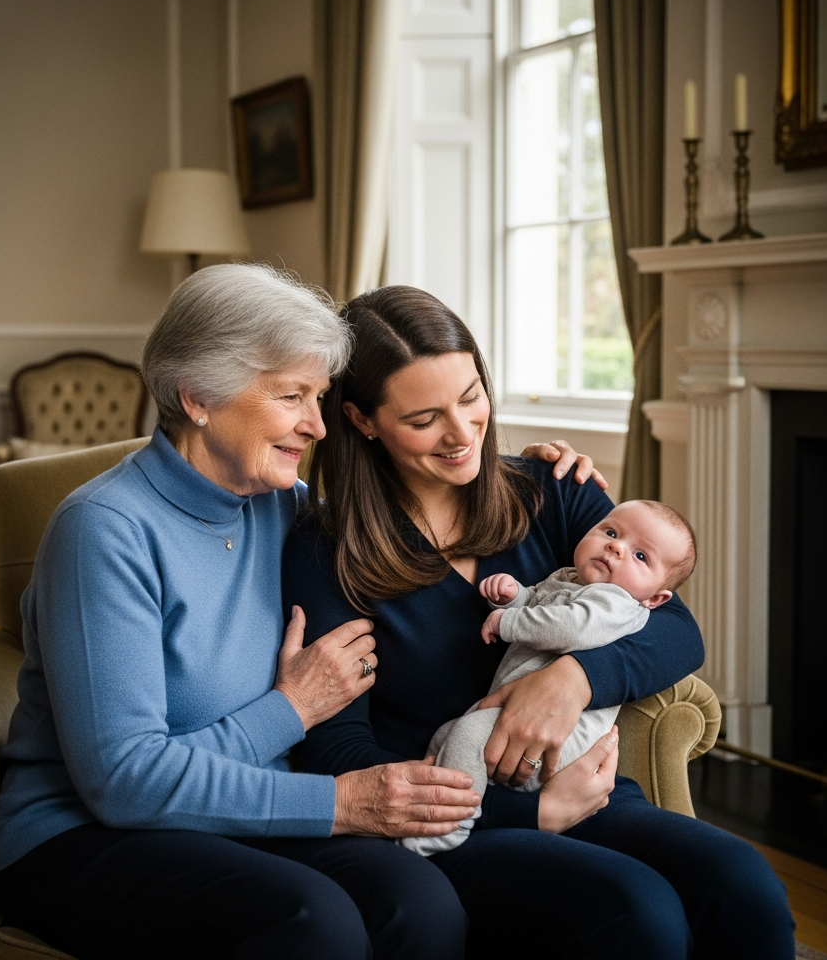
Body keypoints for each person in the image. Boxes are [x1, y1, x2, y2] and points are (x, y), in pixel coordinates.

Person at [0, 265, 488, 960]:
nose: (315, 423)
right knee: (314, 923)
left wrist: (548, 485)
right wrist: (297, 719)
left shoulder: (284, 502)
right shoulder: (104, 530)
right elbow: (123, 782)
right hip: (82, 837)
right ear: (198, 396)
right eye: (292, 396)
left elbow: (408, 514)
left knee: (420, 902)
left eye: (318, 396)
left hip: (242, 813)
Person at [283, 285, 797, 960]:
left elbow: (676, 630)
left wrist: (576, 679)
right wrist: (532, 811)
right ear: (363, 419)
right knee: (637, 910)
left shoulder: (555, 490)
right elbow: (341, 754)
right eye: (425, 418)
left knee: (744, 884)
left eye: (471, 397)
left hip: (594, 792)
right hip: (451, 828)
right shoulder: (329, 551)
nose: (463, 434)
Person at [401, 499, 696, 856]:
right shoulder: (566, 578)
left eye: (640, 556)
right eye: (611, 532)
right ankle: (435, 809)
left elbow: (570, 626)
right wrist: (512, 598)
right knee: (448, 738)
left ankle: (447, 831)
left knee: (465, 736)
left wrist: (507, 623)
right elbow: (539, 603)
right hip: (516, 718)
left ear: (656, 598)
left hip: (564, 743)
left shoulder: (615, 603)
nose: (616, 547)